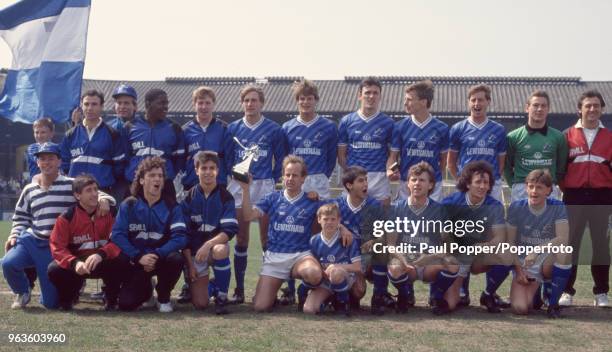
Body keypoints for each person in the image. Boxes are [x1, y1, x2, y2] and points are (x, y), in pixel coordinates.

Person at [2, 143, 114, 309]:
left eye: (51, 159)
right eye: (42, 159)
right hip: (31, 240)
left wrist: (104, 200)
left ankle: (58, 292)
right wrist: (14, 235)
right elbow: (21, 217)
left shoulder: (70, 184)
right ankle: (22, 291)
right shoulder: (29, 189)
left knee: (51, 304)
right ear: (37, 163)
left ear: (60, 161)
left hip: (53, 246)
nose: (46, 163)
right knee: (8, 263)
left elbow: (96, 193)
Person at [237, 155, 351, 312]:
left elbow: (332, 212)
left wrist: (342, 228)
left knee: (314, 273)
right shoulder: (272, 197)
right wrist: (245, 189)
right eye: (287, 174)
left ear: (303, 178)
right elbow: (248, 216)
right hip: (275, 257)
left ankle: (311, 292)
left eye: (295, 175)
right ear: (282, 176)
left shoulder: (312, 199)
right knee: (260, 306)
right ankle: (272, 294)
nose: (290, 178)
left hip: (300, 256)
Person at [279, 79, 338, 304]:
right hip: (296, 180)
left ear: (316, 100)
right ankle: (289, 287)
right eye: (302, 98)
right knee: (294, 231)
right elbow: (285, 159)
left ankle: (315, 284)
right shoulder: (287, 127)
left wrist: (318, 178)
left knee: (317, 233)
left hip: (318, 181)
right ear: (297, 101)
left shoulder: (327, 126)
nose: (305, 102)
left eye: (309, 98)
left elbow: (331, 158)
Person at [226, 84, 286, 304]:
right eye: (247, 100)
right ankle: (239, 288)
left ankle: (266, 287)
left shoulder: (273, 129)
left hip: (264, 186)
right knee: (241, 237)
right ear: (242, 103)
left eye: (255, 100)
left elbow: (281, 158)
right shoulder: (232, 128)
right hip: (239, 185)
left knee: (266, 238)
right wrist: (237, 176)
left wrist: (271, 177)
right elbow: (227, 159)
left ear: (262, 103)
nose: (250, 104)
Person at [177, 86, 233, 303]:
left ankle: (221, 291)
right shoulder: (185, 130)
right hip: (192, 188)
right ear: (194, 105)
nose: (203, 106)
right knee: (190, 231)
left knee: (216, 236)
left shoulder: (223, 129)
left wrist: (223, 181)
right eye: (200, 102)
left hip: (216, 189)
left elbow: (228, 158)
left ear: (213, 105)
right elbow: (181, 159)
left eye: (207, 102)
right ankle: (190, 283)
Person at [111, 156, 187, 312]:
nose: (157, 179)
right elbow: (117, 235)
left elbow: (180, 237)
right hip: (138, 260)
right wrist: (138, 257)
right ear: (141, 180)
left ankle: (163, 297)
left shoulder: (172, 206)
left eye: (160, 176)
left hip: (160, 259)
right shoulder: (129, 204)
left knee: (176, 258)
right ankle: (146, 291)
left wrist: (157, 254)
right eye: (152, 175)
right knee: (126, 305)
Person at [559, 90, 612, 308]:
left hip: (602, 196)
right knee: (570, 245)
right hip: (574, 196)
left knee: (601, 245)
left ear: (602, 109)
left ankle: (601, 292)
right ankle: (566, 291)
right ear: (579, 109)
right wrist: (568, 189)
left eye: (596, 106)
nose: (592, 109)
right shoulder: (567, 135)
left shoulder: (610, 137)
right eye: (588, 105)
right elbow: (560, 170)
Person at [385, 162, 459, 315]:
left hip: (429, 262)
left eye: (422, 180)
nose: (417, 183)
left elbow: (448, 245)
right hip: (406, 260)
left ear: (431, 185)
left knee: (453, 263)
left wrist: (429, 257)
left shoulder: (439, 210)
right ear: (408, 184)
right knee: (394, 267)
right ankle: (404, 295)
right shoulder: (397, 208)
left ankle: (437, 297)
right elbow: (390, 244)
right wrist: (403, 259)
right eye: (413, 179)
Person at [47, 174, 124, 311]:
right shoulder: (67, 217)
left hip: (102, 261)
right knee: (54, 269)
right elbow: (57, 247)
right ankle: (69, 297)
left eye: (96, 189)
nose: (94, 194)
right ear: (77, 195)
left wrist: (101, 254)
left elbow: (118, 240)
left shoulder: (110, 213)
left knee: (122, 260)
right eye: (89, 190)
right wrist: (75, 263)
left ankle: (112, 298)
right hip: (78, 265)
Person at [442, 160, 510, 313]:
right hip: (456, 255)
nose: (482, 186)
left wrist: (482, 247)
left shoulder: (494, 206)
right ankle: (437, 293)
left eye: (486, 182)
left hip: (479, 255)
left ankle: (488, 295)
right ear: (467, 183)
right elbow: (442, 234)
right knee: (450, 305)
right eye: (478, 181)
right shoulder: (451, 203)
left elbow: (499, 237)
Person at [506, 169, 571, 318]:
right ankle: (537, 293)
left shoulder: (558, 206)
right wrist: (519, 271)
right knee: (521, 308)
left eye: (539, 187)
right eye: (531, 186)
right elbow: (508, 243)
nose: (534, 191)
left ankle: (553, 304)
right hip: (523, 263)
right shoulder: (516, 207)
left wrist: (537, 251)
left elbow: (563, 238)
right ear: (526, 187)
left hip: (544, 260)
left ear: (549, 190)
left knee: (565, 252)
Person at [180, 151, 237, 314]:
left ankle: (221, 296)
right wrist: (190, 265)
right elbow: (183, 235)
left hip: (212, 250)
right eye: (203, 168)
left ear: (217, 171)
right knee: (200, 304)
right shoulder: (188, 198)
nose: (208, 172)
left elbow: (229, 231)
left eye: (212, 168)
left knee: (221, 249)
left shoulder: (226, 197)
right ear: (196, 170)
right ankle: (212, 284)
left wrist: (208, 245)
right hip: (195, 254)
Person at [334, 166, 389, 314]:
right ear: (349, 185)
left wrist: (375, 240)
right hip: (347, 258)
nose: (365, 184)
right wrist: (340, 227)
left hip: (367, 257)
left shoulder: (374, 206)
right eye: (360, 181)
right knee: (358, 292)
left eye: (366, 180)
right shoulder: (337, 205)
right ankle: (341, 296)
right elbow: (323, 218)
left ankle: (379, 295)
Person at [387, 80, 449, 201]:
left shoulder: (442, 128)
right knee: (405, 219)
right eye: (405, 99)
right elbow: (393, 157)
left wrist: (435, 180)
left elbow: (444, 161)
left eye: (409, 99)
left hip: (433, 187)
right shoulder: (399, 127)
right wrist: (392, 170)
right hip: (406, 185)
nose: (405, 103)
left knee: (431, 219)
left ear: (423, 102)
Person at [338, 77, 394, 206]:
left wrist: (389, 170)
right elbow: (341, 155)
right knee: (350, 219)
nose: (371, 96)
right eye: (367, 92)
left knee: (382, 222)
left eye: (375, 93)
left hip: (379, 178)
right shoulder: (347, 121)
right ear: (360, 95)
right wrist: (352, 175)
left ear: (380, 96)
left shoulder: (388, 123)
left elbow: (393, 155)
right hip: (354, 177)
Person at [123, 88, 185, 201]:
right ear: (148, 104)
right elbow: (124, 157)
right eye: (161, 103)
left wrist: (167, 174)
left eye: (167, 103)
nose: (166, 107)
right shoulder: (130, 127)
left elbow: (179, 160)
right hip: (135, 185)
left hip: (164, 186)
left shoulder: (174, 128)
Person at [505, 90, 567, 202]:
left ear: (548, 109)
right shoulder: (513, 137)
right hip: (521, 189)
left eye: (543, 106)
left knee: (548, 220)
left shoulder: (559, 137)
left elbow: (561, 168)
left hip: (548, 190)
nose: (539, 109)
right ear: (527, 108)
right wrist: (515, 184)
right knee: (520, 220)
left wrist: (550, 183)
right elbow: (506, 167)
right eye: (535, 105)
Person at [447, 84, 506, 202]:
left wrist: (491, 181)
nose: (476, 103)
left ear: (488, 101)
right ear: (468, 102)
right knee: (465, 219)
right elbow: (451, 163)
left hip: (491, 186)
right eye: (473, 100)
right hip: (467, 185)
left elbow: (501, 163)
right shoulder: (458, 128)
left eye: (480, 100)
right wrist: (461, 180)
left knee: (491, 219)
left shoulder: (498, 129)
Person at [302, 203, 362, 316]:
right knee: (309, 310)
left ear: (339, 220)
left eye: (333, 219)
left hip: (345, 277)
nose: (329, 222)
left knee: (336, 272)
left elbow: (357, 267)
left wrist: (335, 267)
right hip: (325, 281)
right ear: (319, 219)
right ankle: (327, 299)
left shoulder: (347, 238)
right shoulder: (314, 241)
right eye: (325, 219)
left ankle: (343, 303)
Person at [60, 89, 125, 193]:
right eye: (86, 104)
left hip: (103, 191)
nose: (90, 108)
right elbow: (64, 163)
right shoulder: (70, 134)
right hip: (76, 191)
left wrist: (105, 180)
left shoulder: (113, 134)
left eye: (94, 104)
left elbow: (119, 167)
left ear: (102, 106)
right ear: (81, 105)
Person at [108, 84, 139, 203]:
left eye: (126, 103)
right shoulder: (107, 127)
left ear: (135, 106)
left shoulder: (143, 127)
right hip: (115, 182)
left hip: (136, 179)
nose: (122, 106)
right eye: (119, 103)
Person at [25, 117, 55, 182]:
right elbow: (42, 160)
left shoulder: (57, 148)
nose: (39, 135)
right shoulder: (32, 148)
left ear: (51, 134)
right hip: (37, 185)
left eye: (43, 132)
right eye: (36, 132)